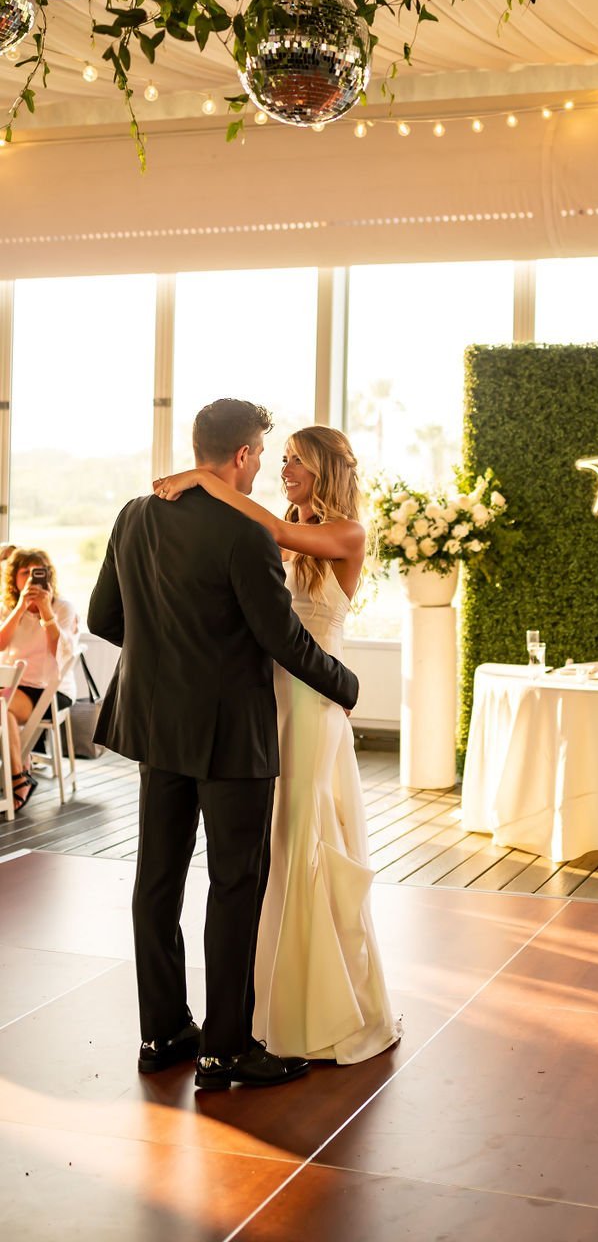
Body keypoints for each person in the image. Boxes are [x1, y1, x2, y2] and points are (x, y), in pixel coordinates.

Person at [89, 399, 359, 1093]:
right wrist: (345, 685)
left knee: (157, 878)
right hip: (231, 734)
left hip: (156, 725)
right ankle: (226, 1050)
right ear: (242, 455)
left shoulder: (134, 515)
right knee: (235, 882)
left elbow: (104, 618)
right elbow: (281, 638)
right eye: (264, 452)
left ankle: (162, 1033)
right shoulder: (247, 533)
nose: (267, 463)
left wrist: (170, 663)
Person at [153, 425, 402, 1065]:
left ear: (325, 470)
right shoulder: (267, 529)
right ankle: (258, 1006)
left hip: (312, 707)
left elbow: (286, 535)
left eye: (296, 461)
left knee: (302, 839)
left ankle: (316, 1005)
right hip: (260, 707)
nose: (284, 468)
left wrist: (204, 479)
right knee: (265, 852)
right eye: (280, 457)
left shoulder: (345, 534)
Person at [0, 547, 79, 811]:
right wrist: (21, 607)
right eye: (25, 573)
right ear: (14, 578)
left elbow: (61, 650)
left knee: (2, 708)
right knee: (3, 709)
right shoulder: (8, 608)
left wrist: (46, 611)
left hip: (51, 690)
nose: (32, 579)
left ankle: (16, 778)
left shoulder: (62, 607)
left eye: (38, 573)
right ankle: (19, 772)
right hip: (12, 686)